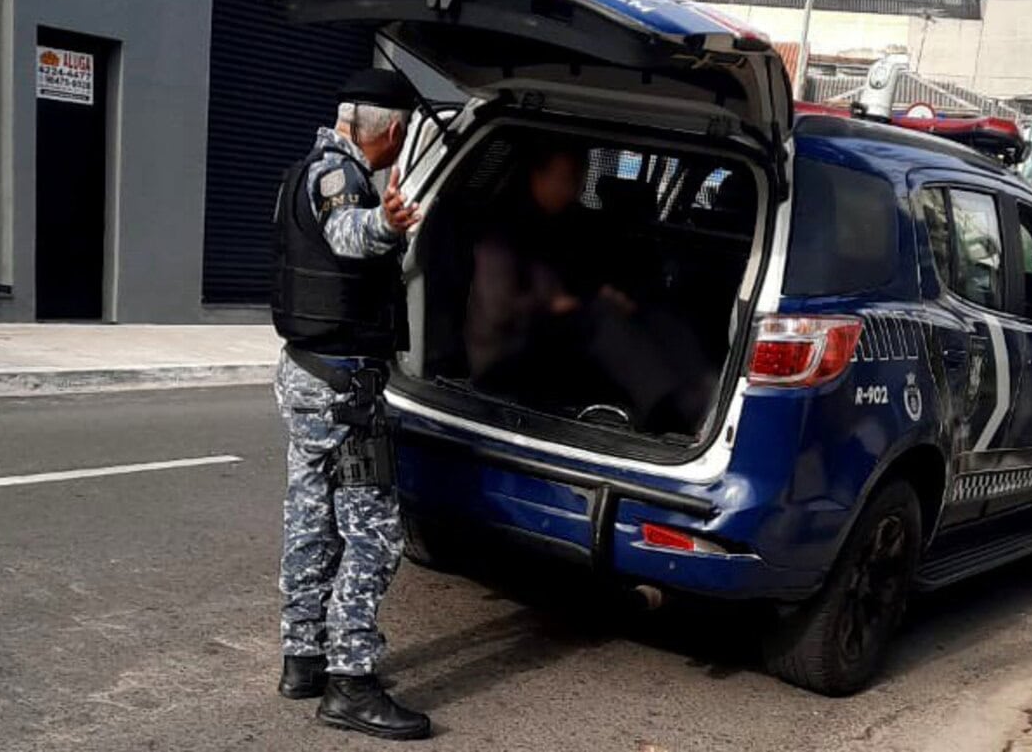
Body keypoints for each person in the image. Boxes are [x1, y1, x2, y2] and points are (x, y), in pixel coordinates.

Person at [270, 67, 430, 741]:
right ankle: (351, 683)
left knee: (311, 518)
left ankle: (303, 657)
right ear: (389, 131)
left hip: (309, 375)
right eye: (404, 133)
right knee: (375, 533)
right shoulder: (341, 176)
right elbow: (346, 234)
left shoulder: (302, 170)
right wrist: (387, 223)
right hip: (342, 387)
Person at [466, 145, 712, 433]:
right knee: (605, 321)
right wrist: (562, 303)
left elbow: (581, 273)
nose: (574, 188)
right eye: (565, 179)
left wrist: (605, 294)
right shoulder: (504, 227)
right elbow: (499, 307)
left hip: (553, 328)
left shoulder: (567, 221)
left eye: (578, 179)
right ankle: (664, 414)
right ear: (537, 176)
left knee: (657, 316)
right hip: (506, 349)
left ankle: (700, 398)